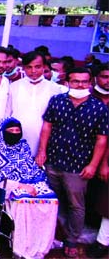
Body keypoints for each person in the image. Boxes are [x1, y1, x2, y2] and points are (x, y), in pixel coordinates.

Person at [36, 68, 108, 258]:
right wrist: (41, 152)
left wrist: (93, 165)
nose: (80, 85)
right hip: (52, 161)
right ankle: (49, 235)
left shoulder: (98, 107)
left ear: (90, 82)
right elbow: (47, 126)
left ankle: (72, 238)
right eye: (75, 81)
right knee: (51, 201)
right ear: (67, 82)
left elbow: (102, 139)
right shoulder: (57, 101)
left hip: (79, 167)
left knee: (76, 205)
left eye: (84, 82)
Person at [0, 118, 58, 259]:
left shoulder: (23, 146)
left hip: (29, 179)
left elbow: (30, 167)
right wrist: (21, 185)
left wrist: (35, 183)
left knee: (51, 197)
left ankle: (41, 243)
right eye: (10, 131)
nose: (15, 133)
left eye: (17, 131)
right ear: (2, 132)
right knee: (24, 200)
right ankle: (22, 246)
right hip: (6, 184)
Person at [7, 51, 62, 156]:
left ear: (44, 67)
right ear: (23, 68)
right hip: (16, 139)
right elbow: (7, 114)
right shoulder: (14, 86)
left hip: (42, 143)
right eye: (29, 67)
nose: (33, 71)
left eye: (37, 67)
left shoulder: (54, 89)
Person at [87, 64, 109, 258]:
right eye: (104, 76)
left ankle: (101, 240)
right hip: (83, 154)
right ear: (96, 78)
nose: (108, 81)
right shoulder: (86, 96)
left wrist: (104, 163)